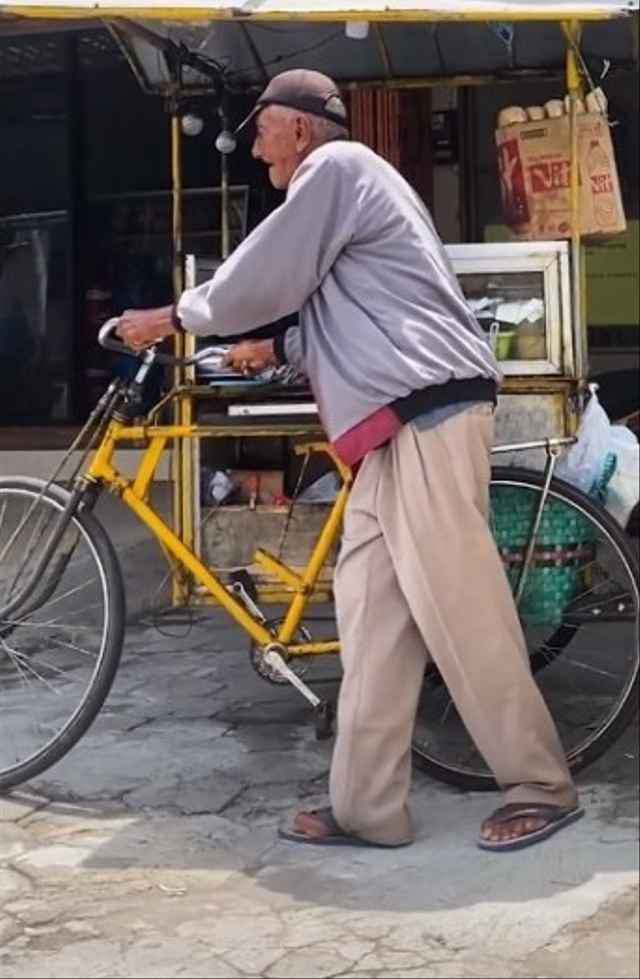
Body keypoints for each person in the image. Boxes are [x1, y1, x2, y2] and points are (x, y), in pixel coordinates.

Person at [117, 68, 582, 852]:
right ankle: (369, 807)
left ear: (300, 127)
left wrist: (174, 317)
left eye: (262, 125)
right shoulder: (346, 190)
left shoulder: (335, 169)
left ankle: (541, 783)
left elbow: (263, 276)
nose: (253, 142)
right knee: (373, 617)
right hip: (392, 429)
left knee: (460, 609)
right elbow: (356, 308)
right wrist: (276, 345)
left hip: (427, 412)